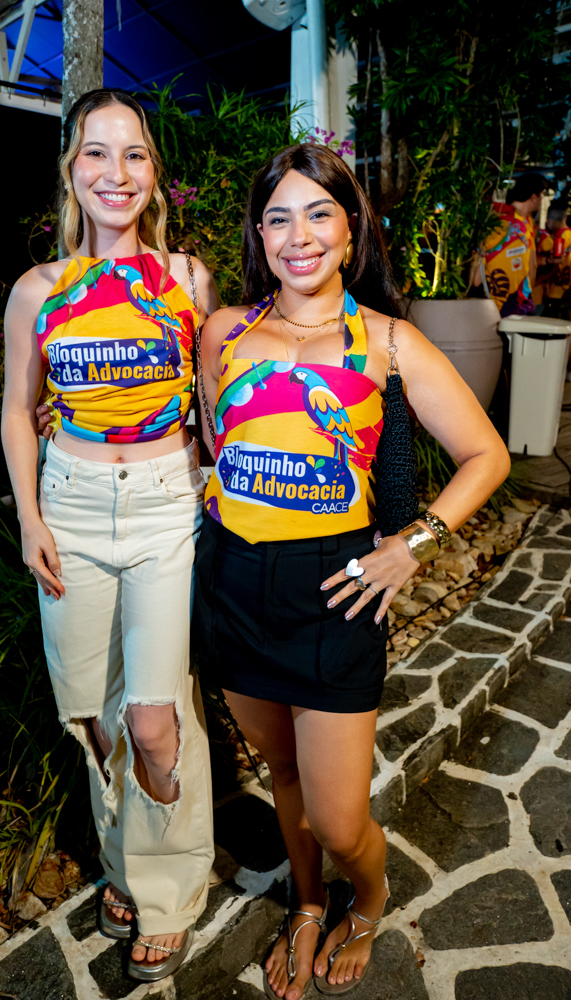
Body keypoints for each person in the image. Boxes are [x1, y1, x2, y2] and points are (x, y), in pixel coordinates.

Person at [193, 143, 511, 999]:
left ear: (351, 227)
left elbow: (485, 455)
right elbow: (219, 447)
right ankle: (306, 902)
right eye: (277, 219)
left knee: (338, 818)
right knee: (280, 773)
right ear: (258, 236)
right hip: (232, 583)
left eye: (317, 214)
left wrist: (413, 543)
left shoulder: (388, 341)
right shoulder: (223, 331)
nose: (298, 236)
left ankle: (365, 897)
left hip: (333, 592)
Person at [2, 88, 219, 982]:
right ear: (72, 170)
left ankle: (168, 891)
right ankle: (126, 860)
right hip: (72, 505)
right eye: (97, 152)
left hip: (165, 505)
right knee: (92, 714)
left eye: (134, 153)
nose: (115, 172)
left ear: (154, 174)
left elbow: (216, 401)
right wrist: (30, 517)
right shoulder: (39, 290)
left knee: (155, 721)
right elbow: (17, 411)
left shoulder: (188, 281)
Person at [475, 172, 551, 316]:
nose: (543, 200)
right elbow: (481, 262)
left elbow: (531, 263)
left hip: (523, 300)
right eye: (542, 194)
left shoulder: (527, 220)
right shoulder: (501, 219)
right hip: (501, 302)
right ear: (534, 196)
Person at [535, 199, 571, 317]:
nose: (546, 221)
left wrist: (536, 282)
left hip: (556, 296)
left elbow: (554, 267)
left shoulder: (555, 239)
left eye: (548, 218)